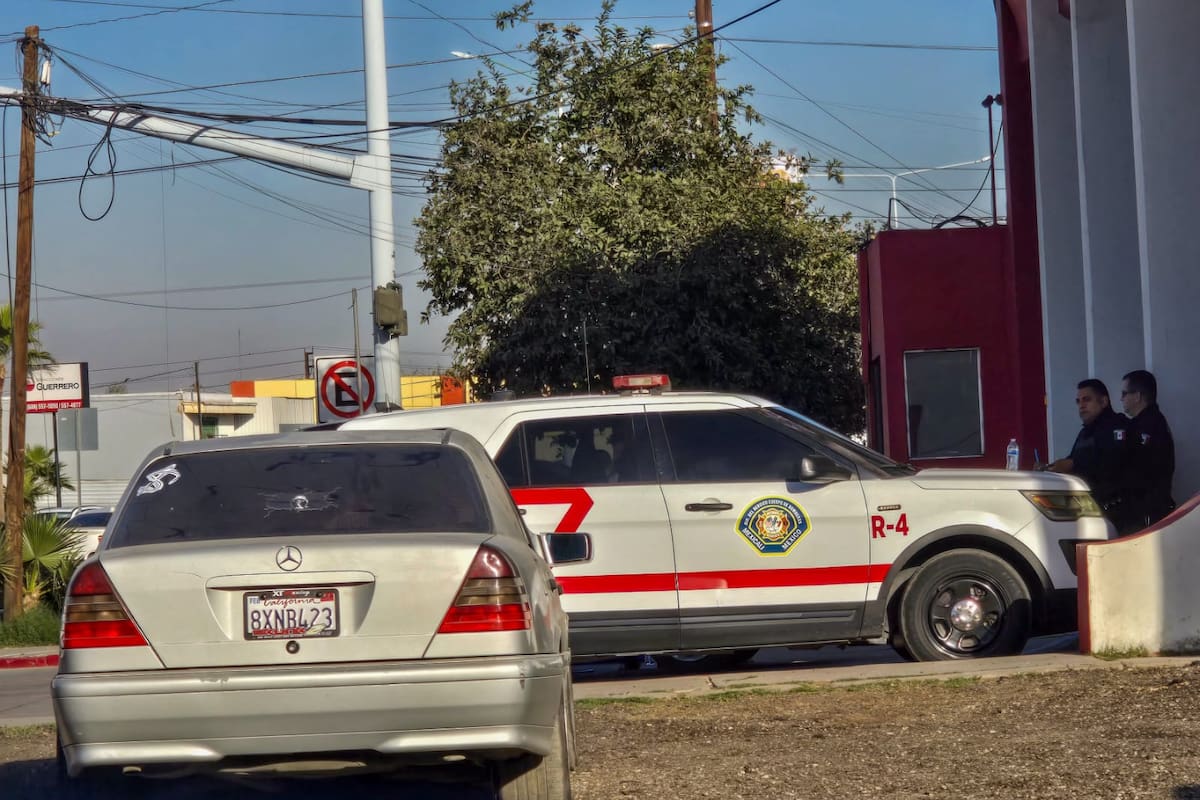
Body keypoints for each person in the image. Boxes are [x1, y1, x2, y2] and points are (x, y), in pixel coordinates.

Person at [1047, 378, 1133, 529]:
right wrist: (1052, 468)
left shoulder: (1117, 427)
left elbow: (1114, 463)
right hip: (1089, 509)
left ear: (1104, 401)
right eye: (1078, 401)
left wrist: (1073, 465)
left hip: (1117, 512)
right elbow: (1073, 459)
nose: (1081, 405)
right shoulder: (1085, 432)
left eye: (1086, 399)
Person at [1120, 369, 1176, 530]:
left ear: (1137, 396)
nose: (1121, 398)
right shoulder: (1147, 423)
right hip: (1147, 509)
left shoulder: (1149, 426)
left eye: (1124, 394)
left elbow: (1138, 468)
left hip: (1147, 512)